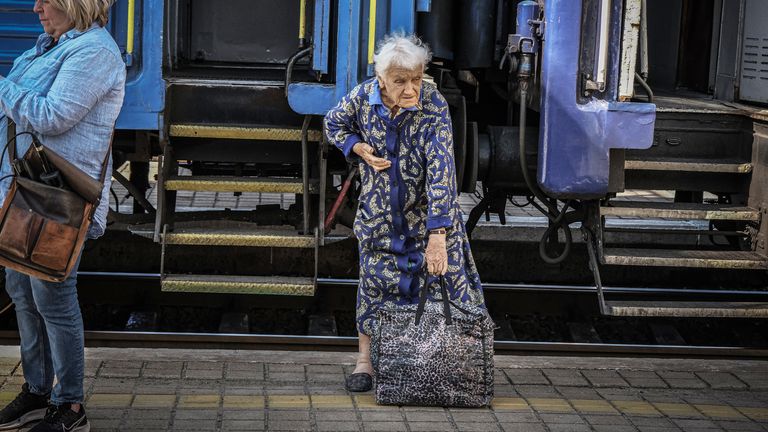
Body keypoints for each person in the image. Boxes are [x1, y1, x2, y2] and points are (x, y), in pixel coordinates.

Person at [324, 33, 485, 393]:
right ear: (381, 80)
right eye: (400, 81)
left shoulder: (433, 104)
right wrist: (358, 148)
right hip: (379, 218)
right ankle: (365, 363)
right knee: (373, 288)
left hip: (426, 219)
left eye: (416, 78)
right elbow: (333, 123)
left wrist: (438, 236)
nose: (411, 89)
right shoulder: (362, 99)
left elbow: (442, 170)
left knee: (448, 285)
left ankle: (449, 367)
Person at [0, 0, 125, 430]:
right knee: (21, 290)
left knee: (53, 296)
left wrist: (0, 86)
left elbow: (52, 116)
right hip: (23, 192)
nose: (35, 7)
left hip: (57, 198)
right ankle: (37, 391)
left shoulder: (95, 52)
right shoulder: (47, 46)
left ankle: (70, 405)